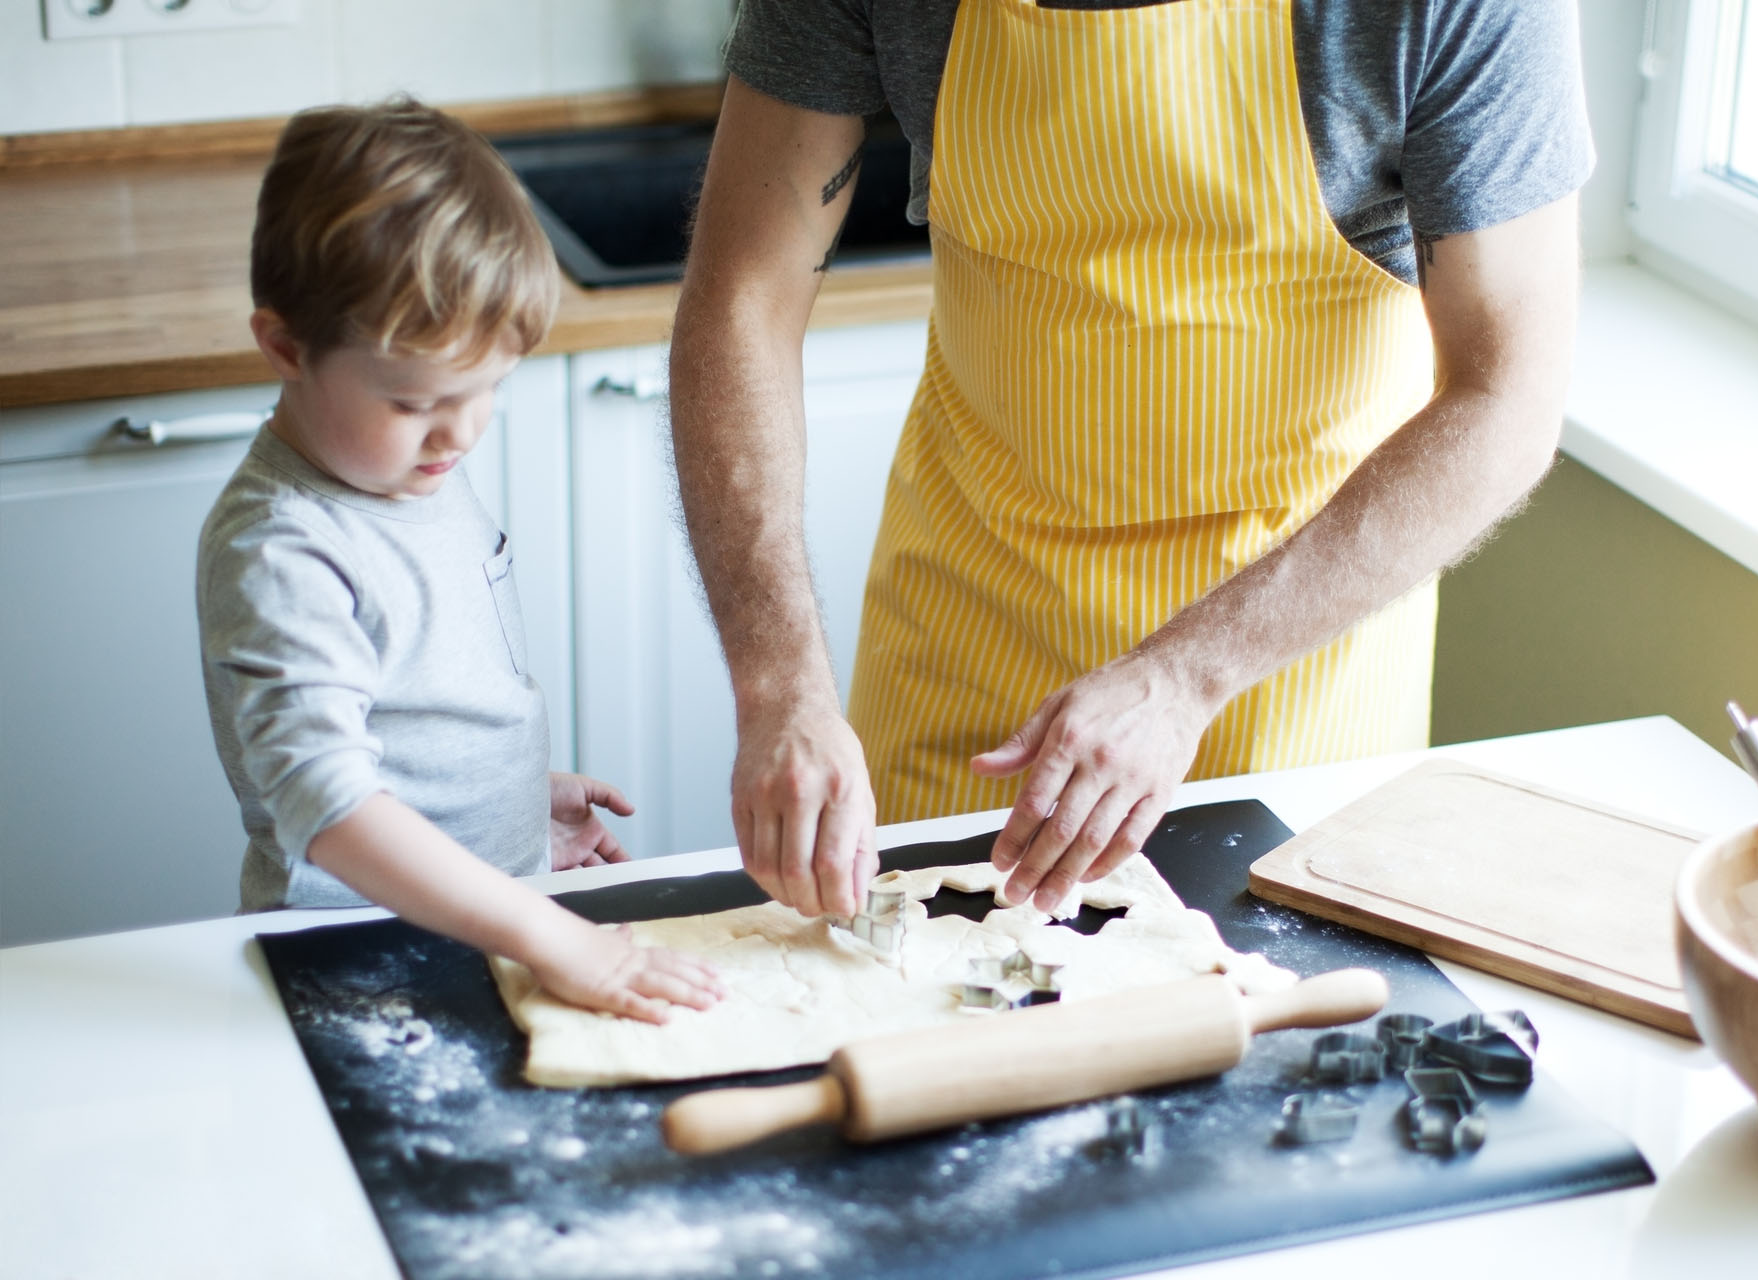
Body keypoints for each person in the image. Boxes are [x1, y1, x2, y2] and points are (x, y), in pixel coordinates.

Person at [670, 0, 1591, 921]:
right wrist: (779, 689)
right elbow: (742, 300)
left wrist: (1185, 675)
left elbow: (1506, 397)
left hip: (1283, 671)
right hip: (962, 637)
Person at [199, 99, 724, 1023]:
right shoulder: (284, 548)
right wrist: (546, 929)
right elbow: (331, 807)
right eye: (414, 401)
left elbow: (413, 705)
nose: (461, 431)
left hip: (476, 925)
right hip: (354, 963)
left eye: (489, 387)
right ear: (285, 347)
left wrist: (513, 804)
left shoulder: (412, 468)